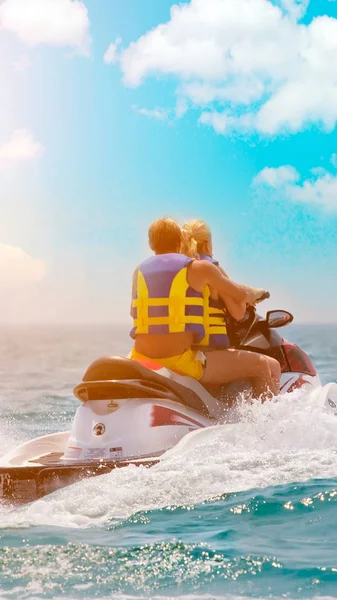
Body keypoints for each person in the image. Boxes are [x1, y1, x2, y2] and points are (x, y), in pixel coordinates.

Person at [130, 217, 278, 400]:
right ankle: (267, 425)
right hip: (181, 361)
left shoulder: (138, 271)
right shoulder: (199, 268)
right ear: (179, 241)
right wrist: (258, 293)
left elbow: (134, 312)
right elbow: (240, 294)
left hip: (140, 356)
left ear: (151, 243)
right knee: (262, 365)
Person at [181, 219, 281, 394]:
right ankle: (268, 420)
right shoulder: (211, 267)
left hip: (183, 350)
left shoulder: (181, 269)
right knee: (266, 365)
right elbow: (237, 312)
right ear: (207, 243)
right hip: (206, 351)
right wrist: (245, 300)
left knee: (266, 364)